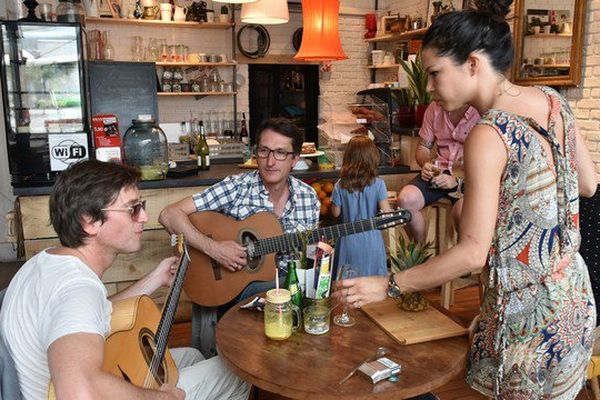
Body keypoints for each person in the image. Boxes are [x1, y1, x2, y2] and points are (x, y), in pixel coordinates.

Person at [333, 1, 598, 398]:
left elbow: (472, 254)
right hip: (573, 300)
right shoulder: (553, 101)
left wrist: (388, 285)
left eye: (437, 73)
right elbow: (588, 185)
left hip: (528, 318)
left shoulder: (488, 134)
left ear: (473, 64)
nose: (433, 88)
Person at [0, 160, 250, 400]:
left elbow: (95, 311)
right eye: (132, 209)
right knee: (235, 371)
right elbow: (78, 393)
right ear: (89, 221)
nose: (143, 217)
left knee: (192, 356)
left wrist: (153, 279)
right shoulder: (77, 290)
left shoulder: (47, 262)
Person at [159, 117, 320, 355]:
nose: (270, 161)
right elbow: (168, 214)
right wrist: (213, 248)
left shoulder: (308, 197)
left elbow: (309, 257)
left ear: (295, 159)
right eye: (264, 151)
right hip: (244, 287)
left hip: (289, 284)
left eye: (280, 153)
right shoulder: (236, 187)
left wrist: (319, 254)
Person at [398, 101, 479, 241]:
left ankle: (462, 259)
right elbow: (423, 148)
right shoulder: (434, 108)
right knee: (406, 199)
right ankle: (421, 254)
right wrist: (426, 164)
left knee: (462, 213)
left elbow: (486, 160)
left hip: (470, 175)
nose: (431, 89)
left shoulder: (480, 110)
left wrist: (458, 180)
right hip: (439, 171)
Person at [330, 135, 392, 277]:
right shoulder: (378, 184)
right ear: (372, 157)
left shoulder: (340, 184)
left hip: (347, 240)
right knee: (372, 281)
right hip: (372, 240)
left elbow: (336, 213)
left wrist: (332, 201)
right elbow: (387, 213)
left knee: (347, 282)